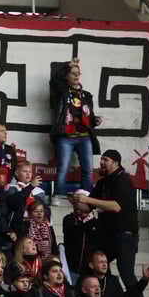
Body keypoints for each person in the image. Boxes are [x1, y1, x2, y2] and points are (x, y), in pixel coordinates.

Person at [76, 150, 142, 297]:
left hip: (125, 235)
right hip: (108, 236)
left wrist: (88, 200)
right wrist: (76, 201)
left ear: (116, 163)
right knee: (92, 265)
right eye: (101, 159)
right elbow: (87, 207)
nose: (102, 163)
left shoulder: (123, 179)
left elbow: (115, 206)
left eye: (106, 159)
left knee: (127, 274)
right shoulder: (102, 183)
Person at [50, 57, 100, 201]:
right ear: (66, 76)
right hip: (66, 136)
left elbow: (88, 116)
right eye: (73, 73)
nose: (76, 75)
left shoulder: (87, 96)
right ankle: (58, 195)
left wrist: (95, 121)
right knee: (63, 167)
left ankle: (86, 196)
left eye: (78, 73)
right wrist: (67, 65)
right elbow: (54, 80)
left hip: (84, 136)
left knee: (88, 168)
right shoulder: (61, 92)